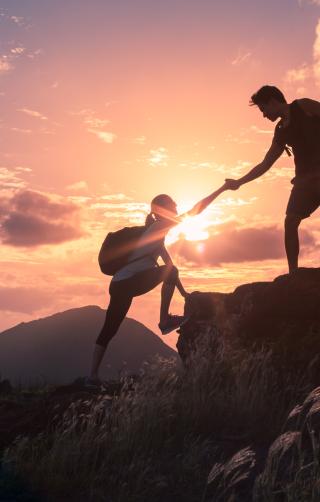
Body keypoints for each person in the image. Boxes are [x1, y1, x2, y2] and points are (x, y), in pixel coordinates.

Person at [88, 185, 226, 385]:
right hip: (127, 283)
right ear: (164, 209)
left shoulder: (155, 236)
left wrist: (183, 293)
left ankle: (91, 376)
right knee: (111, 327)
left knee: (109, 329)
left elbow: (169, 266)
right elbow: (195, 211)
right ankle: (164, 321)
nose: (177, 207)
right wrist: (221, 189)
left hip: (119, 284)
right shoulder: (159, 227)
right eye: (173, 204)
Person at [225, 85, 320, 273]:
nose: (263, 115)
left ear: (272, 101)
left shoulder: (303, 106)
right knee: (290, 221)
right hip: (304, 181)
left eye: (263, 109)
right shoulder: (280, 130)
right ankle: (293, 274)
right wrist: (239, 182)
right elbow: (265, 163)